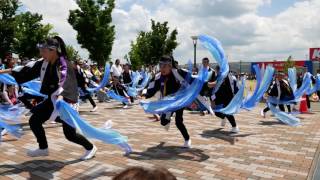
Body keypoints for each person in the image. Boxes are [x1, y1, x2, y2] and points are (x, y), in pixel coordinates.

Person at [0, 36, 97, 160]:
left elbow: (67, 83)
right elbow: (25, 73)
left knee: (70, 135)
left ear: (53, 50)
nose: (41, 54)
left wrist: (61, 96)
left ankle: (90, 147)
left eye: (43, 51)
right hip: (52, 100)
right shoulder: (43, 63)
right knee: (34, 120)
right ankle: (43, 148)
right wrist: (2, 72)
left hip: (66, 102)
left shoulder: (64, 65)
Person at [143, 55, 192, 148]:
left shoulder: (178, 73)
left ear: (170, 66)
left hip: (179, 101)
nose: (162, 68)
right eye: (160, 65)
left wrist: (207, 84)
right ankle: (168, 118)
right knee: (163, 122)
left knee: (179, 122)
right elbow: (150, 86)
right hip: (167, 102)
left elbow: (194, 79)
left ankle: (187, 139)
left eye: (164, 66)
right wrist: (144, 94)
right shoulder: (158, 76)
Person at [211, 65, 240, 133]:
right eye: (217, 70)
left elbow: (235, 88)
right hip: (219, 97)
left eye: (218, 70)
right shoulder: (217, 77)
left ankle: (234, 126)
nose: (217, 72)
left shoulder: (231, 77)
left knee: (228, 112)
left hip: (228, 97)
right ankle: (223, 117)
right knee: (216, 112)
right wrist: (212, 99)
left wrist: (237, 96)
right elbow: (213, 89)